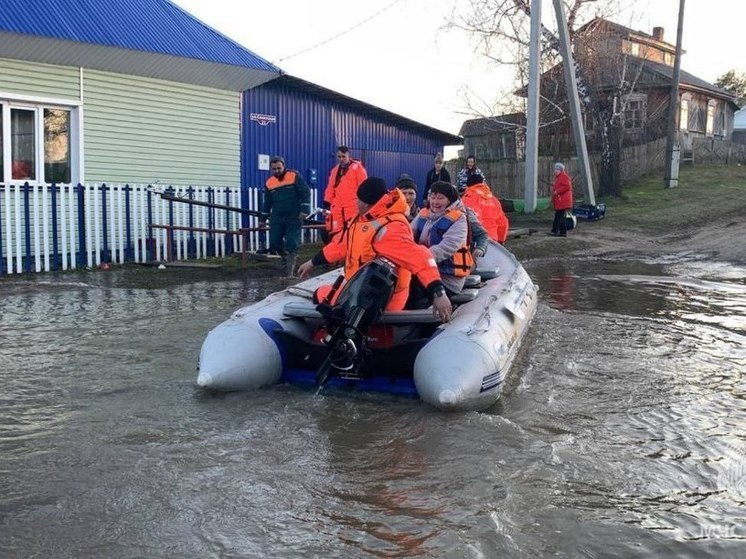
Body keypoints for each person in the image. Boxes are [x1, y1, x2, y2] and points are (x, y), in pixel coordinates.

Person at [298, 177, 453, 322]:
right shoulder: (362, 219)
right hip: (358, 288)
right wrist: (313, 262)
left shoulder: (389, 228)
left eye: (358, 200)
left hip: (383, 296)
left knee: (323, 298)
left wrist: (438, 292)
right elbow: (341, 245)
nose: (356, 203)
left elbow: (420, 256)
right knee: (321, 294)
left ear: (366, 203)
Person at [410, 181, 474, 299]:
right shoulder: (424, 213)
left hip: (447, 279)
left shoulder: (459, 219)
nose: (435, 202)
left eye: (440, 198)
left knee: (412, 292)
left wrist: (419, 258)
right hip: (423, 268)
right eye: (432, 197)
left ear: (449, 200)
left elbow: (447, 247)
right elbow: (408, 233)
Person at [261, 155, 311, 276]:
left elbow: (305, 193)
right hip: (277, 216)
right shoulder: (269, 182)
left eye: (279, 168)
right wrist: (262, 219)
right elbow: (267, 202)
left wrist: (305, 210)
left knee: (292, 242)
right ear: (271, 169)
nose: (277, 171)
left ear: (284, 166)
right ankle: (285, 259)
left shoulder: (294, 176)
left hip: (294, 215)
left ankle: (290, 273)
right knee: (274, 242)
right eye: (274, 169)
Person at [323, 145, 368, 238]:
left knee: (353, 232)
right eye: (339, 157)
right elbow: (330, 188)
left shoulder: (358, 168)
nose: (341, 159)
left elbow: (364, 187)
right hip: (338, 208)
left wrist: (364, 205)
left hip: (352, 207)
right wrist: (327, 203)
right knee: (336, 232)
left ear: (348, 155)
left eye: (343, 156)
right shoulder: (335, 171)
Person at [461, 174, 510, 244]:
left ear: (468, 185)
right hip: (494, 239)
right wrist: (501, 239)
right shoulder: (494, 200)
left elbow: (473, 221)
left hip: (477, 241)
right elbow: (502, 222)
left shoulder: (468, 198)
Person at [550, 162, 574, 237]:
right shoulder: (559, 177)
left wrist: (557, 191)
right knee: (561, 216)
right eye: (555, 169)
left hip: (563, 201)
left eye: (557, 169)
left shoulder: (564, 177)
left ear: (561, 170)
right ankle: (563, 232)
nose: (556, 171)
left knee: (558, 216)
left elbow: (567, 186)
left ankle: (555, 230)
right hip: (561, 200)